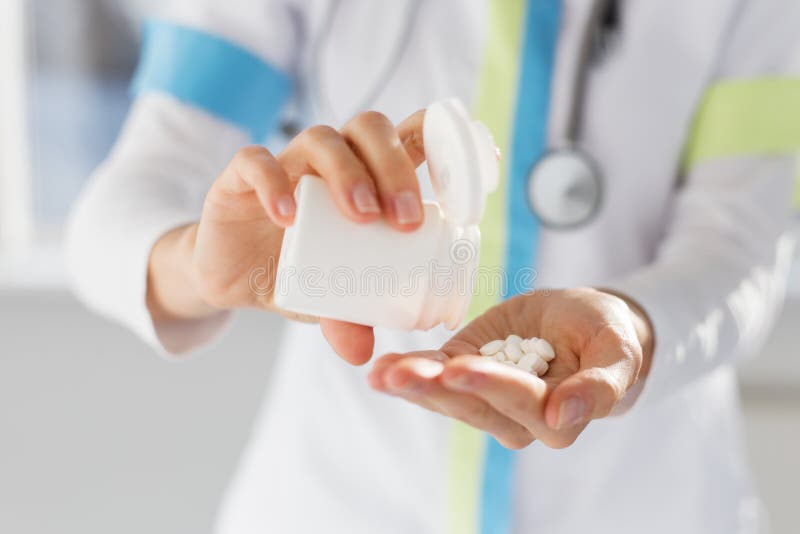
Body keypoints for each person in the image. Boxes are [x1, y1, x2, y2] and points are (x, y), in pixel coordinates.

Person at [66, 0, 799, 532]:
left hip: (646, 502)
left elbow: (740, 244)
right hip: (337, 501)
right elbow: (111, 216)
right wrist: (201, 266)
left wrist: (634, 331)